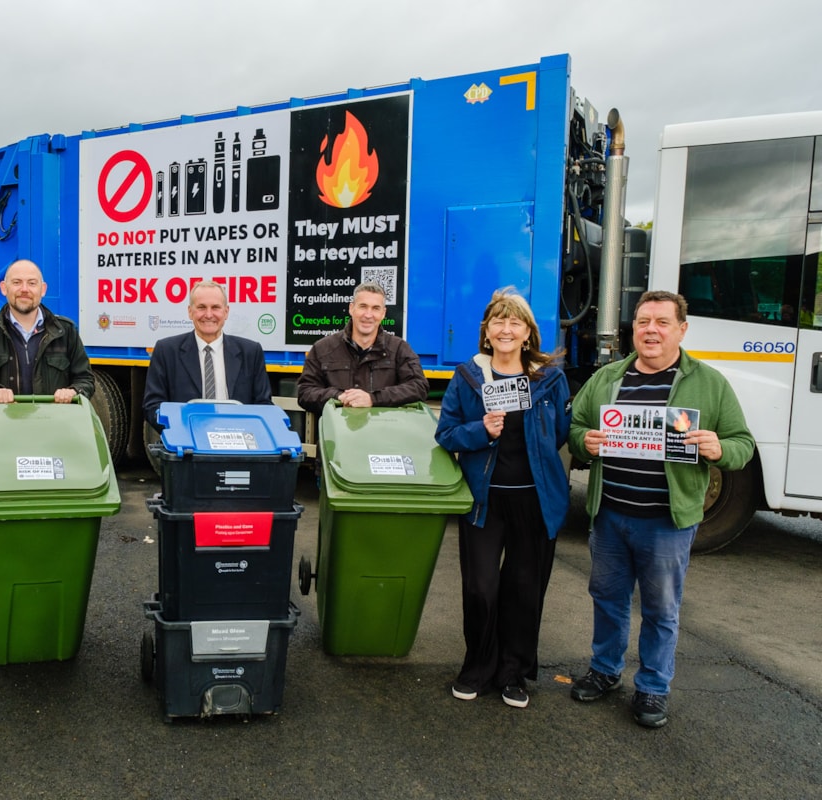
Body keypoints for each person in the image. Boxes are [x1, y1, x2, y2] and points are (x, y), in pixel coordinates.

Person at [568, 290, 754, 728]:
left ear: (681, 330)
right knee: (608, 600)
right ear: (634, 328)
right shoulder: (609, 377)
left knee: (661, 609)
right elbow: (576, 424)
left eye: (662, 322)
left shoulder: (709, 383)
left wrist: (718, 447)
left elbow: (742, 445)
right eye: (643, 321)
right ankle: (606, 670)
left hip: (667, 523)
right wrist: (585, 441)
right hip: (611, 515)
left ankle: (652, 687)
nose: (650, 330)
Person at [435, 287, 570, 710]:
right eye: (498, 321)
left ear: (528, 333)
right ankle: (477, 666)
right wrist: (482, 431)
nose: (506, 329)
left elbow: (561, 434)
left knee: (524, 589)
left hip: (535, 501)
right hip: (485, 501)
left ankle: (513, 673)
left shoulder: (550, 379)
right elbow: (446, 433)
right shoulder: (469, 376)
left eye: (515, 322)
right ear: (486, 332)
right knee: (481, 588)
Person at [0, 259, 94, 408]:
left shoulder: (66, 331)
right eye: (16, 282)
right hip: (3, 426)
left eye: (32, 283)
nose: (24, 289)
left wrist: (74, 391)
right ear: (4, 288)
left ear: (43, 289)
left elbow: (86, 380)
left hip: (53, 427)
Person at [142, 280, 272, 428]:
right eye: (201, 307)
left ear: (226, 312)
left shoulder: (251, 352)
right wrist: (179, 431)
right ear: (190, 312)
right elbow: (152, 406)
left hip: (237, 443)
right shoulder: (166, 351)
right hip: (187, 444)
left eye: (215, 307)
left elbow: (264, 405)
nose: (209, 314)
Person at [296, 281, 428, 414]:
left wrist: (373, 399)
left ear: (383, 313)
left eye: (375, 308)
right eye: (363, 306)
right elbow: (305, 392)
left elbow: (419, 387)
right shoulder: (322, 349)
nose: (368, 315)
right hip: (337, 433)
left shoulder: (399, 348)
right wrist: (339, 397)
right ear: (351, 308)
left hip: (384, 432)